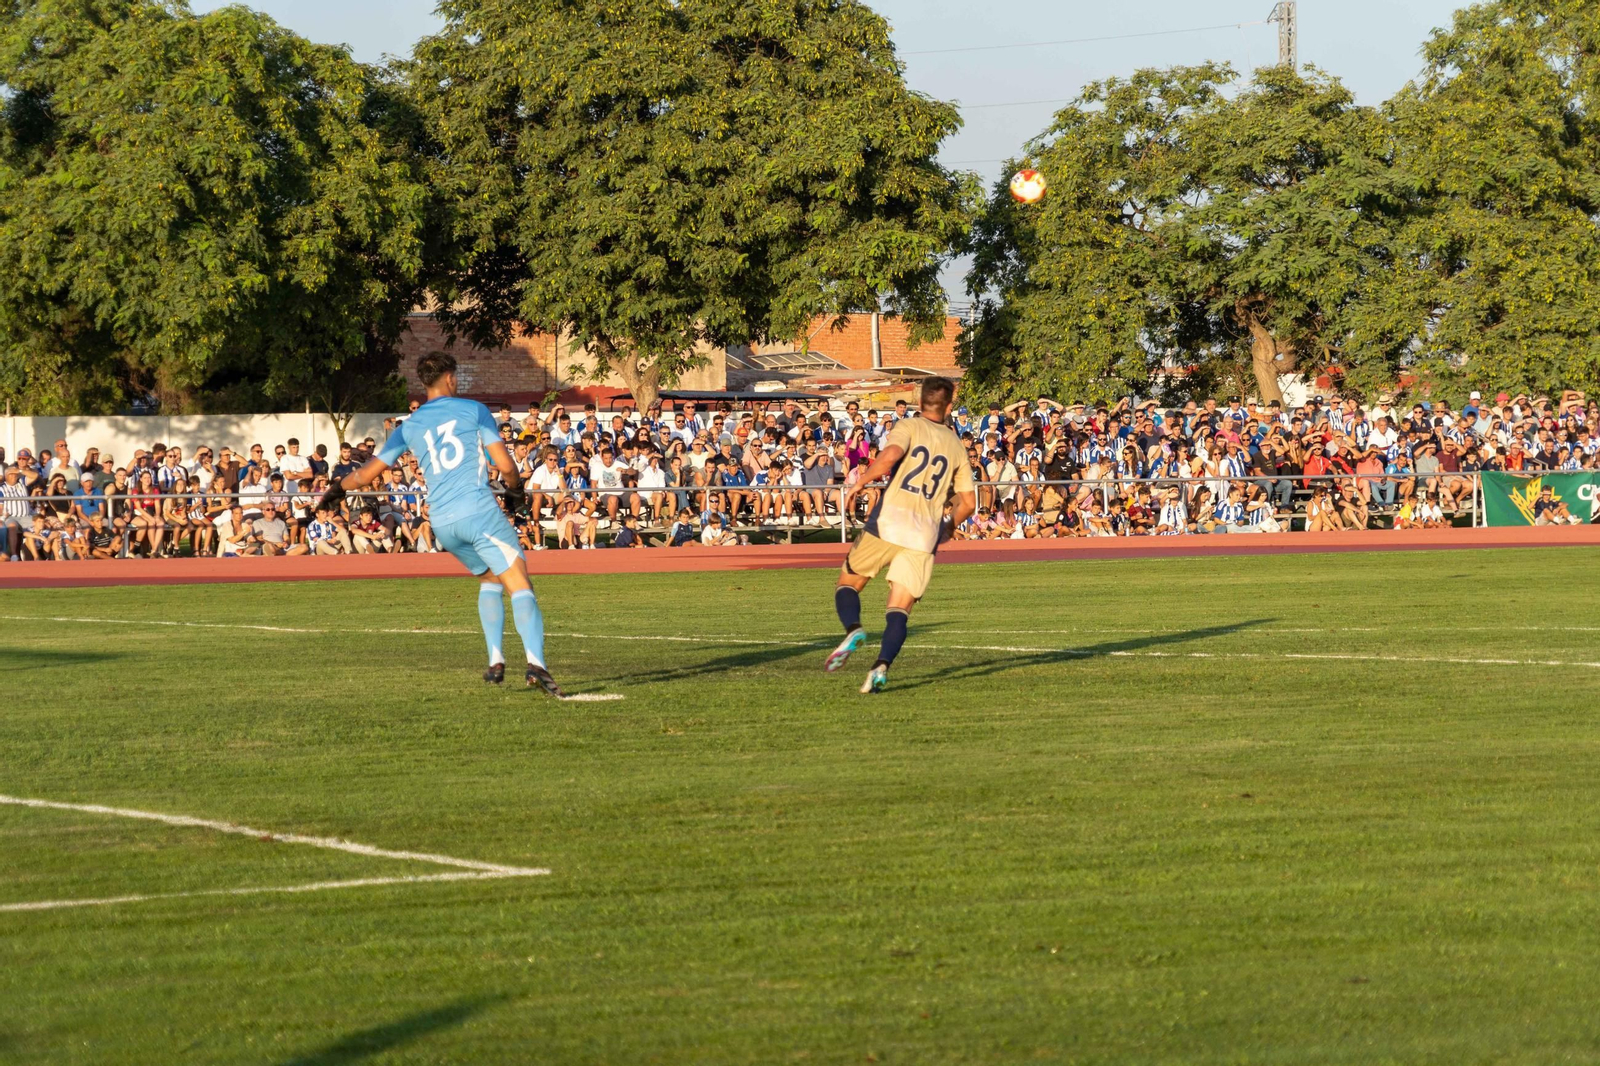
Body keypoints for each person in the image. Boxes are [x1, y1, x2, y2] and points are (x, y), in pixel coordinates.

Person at [319, 351, 562, 695]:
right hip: (477, 510)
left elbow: (365, 473)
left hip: (443, 523)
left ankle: (496, 660)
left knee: (490, 577)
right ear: (450, 377)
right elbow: (506, 466)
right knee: (520, 584)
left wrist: (335, 490)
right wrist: (516, 491)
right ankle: (537, 664)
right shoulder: (474, 410)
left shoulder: (409, 426)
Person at [826, 376, 977, 694]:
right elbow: (968, 503)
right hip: (924, 535)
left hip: (889, 521)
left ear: (919, 401)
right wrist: (948, 528)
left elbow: (890, 456)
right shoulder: (955, 445)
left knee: (848, 583)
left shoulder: (908, 426)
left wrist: (860, 481)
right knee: (899, 610)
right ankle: (880, 668)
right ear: (949, 407)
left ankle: (854, 629)